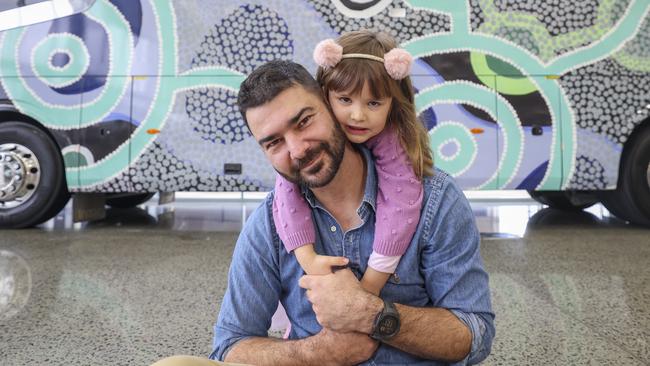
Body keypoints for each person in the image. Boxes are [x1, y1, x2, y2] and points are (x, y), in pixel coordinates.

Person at [154, 34, 494, 365]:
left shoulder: (435, 201)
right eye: (274, 142)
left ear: (328, 106)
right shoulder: (269, 223)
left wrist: (371, 314)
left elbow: (474, 335)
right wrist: (322, 352)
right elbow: (230, 346)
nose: (298, 149)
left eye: (304, 121)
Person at [273, 31, 429, 297]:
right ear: (324, 94)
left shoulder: (393, 140)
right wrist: (307, 257)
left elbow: (400, 208)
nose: (358, 115)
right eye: (345, 99)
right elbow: (287, 190)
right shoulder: (308, 139)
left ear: (392, 105)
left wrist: (367, 290)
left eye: (374, 103)